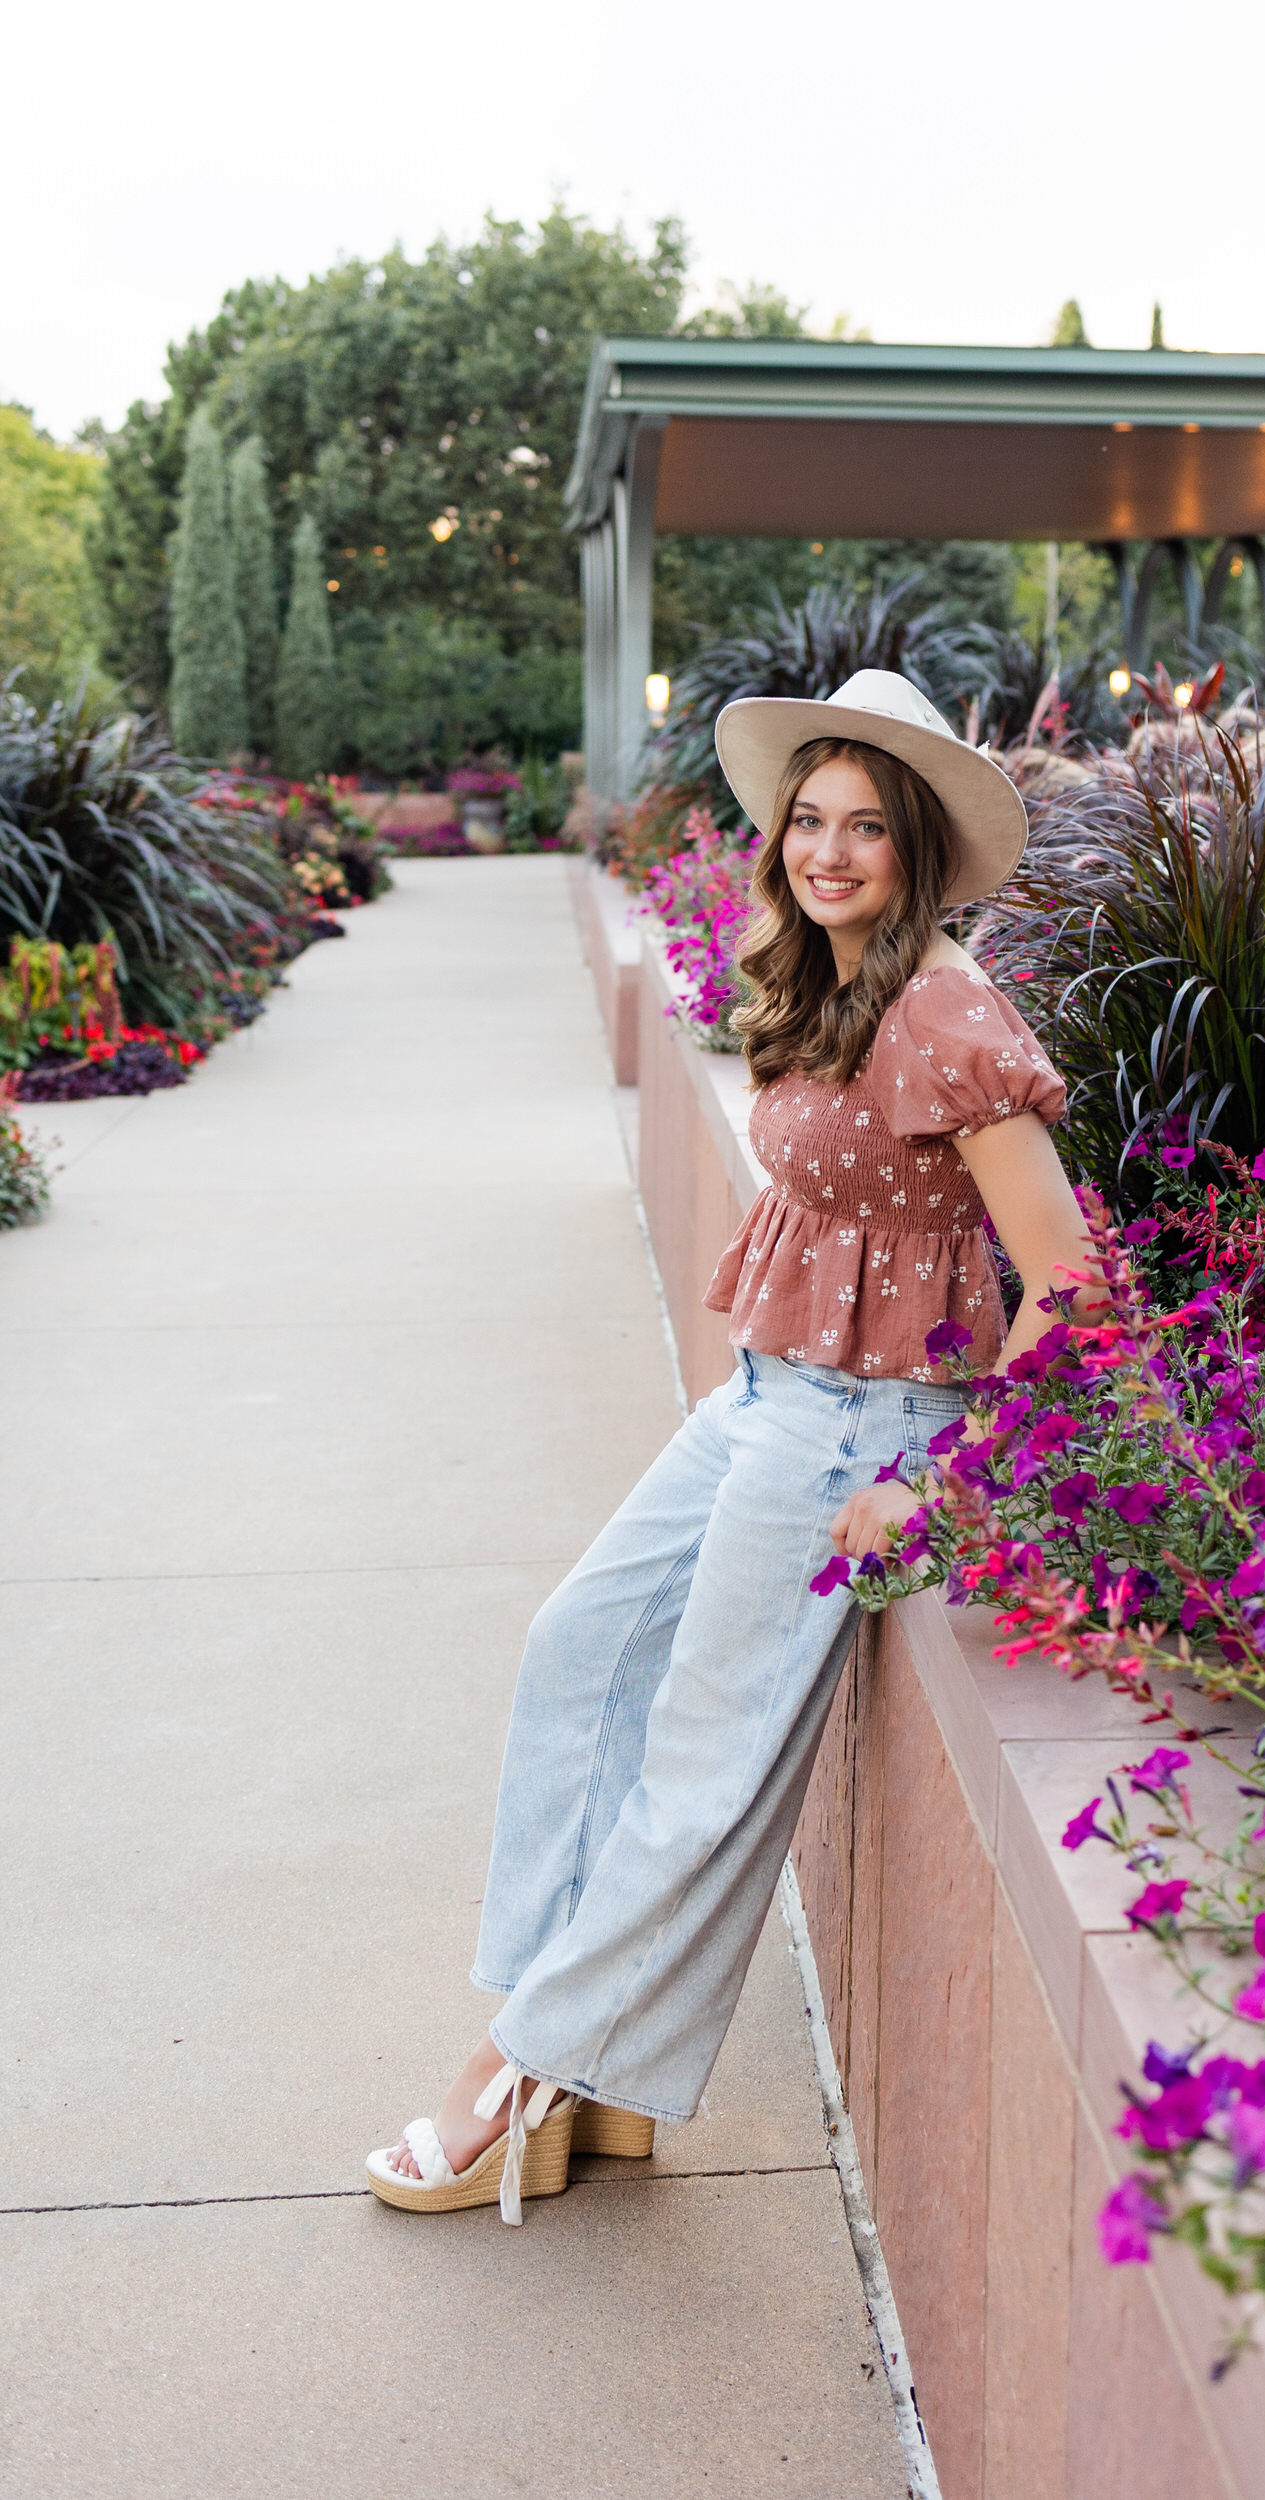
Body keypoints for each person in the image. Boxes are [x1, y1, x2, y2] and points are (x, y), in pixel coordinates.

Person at [367, 670, 1097, 2221]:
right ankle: (592, 2063)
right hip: (771, 1402)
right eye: (807, 821)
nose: (828, 852)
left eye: (865, 830)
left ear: (917, 848)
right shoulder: (827, 974)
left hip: (863, 1435)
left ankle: (512, 2080)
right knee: (579, 1654)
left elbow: (1077, 1282)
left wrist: (942, 1484)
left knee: (699, 1767)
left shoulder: (945, 1014)